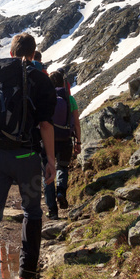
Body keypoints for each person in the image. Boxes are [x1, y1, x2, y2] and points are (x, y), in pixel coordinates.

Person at [0, 32, 57, 279]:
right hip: (27, 159)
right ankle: (26, 272)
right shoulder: (39, 79)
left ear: (11, 53)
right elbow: (45, 125)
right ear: (33, 55)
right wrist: (51, 161)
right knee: (32, 211)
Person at [44, 68, 82, 217]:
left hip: (48, 141)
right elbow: (77, 124)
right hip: (65, 139)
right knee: (62, 167)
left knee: (47, 172)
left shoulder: (46, 98)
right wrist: (78, 142)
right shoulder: (69, 99)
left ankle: (52, 211)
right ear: (63, 82)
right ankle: (61, 191)